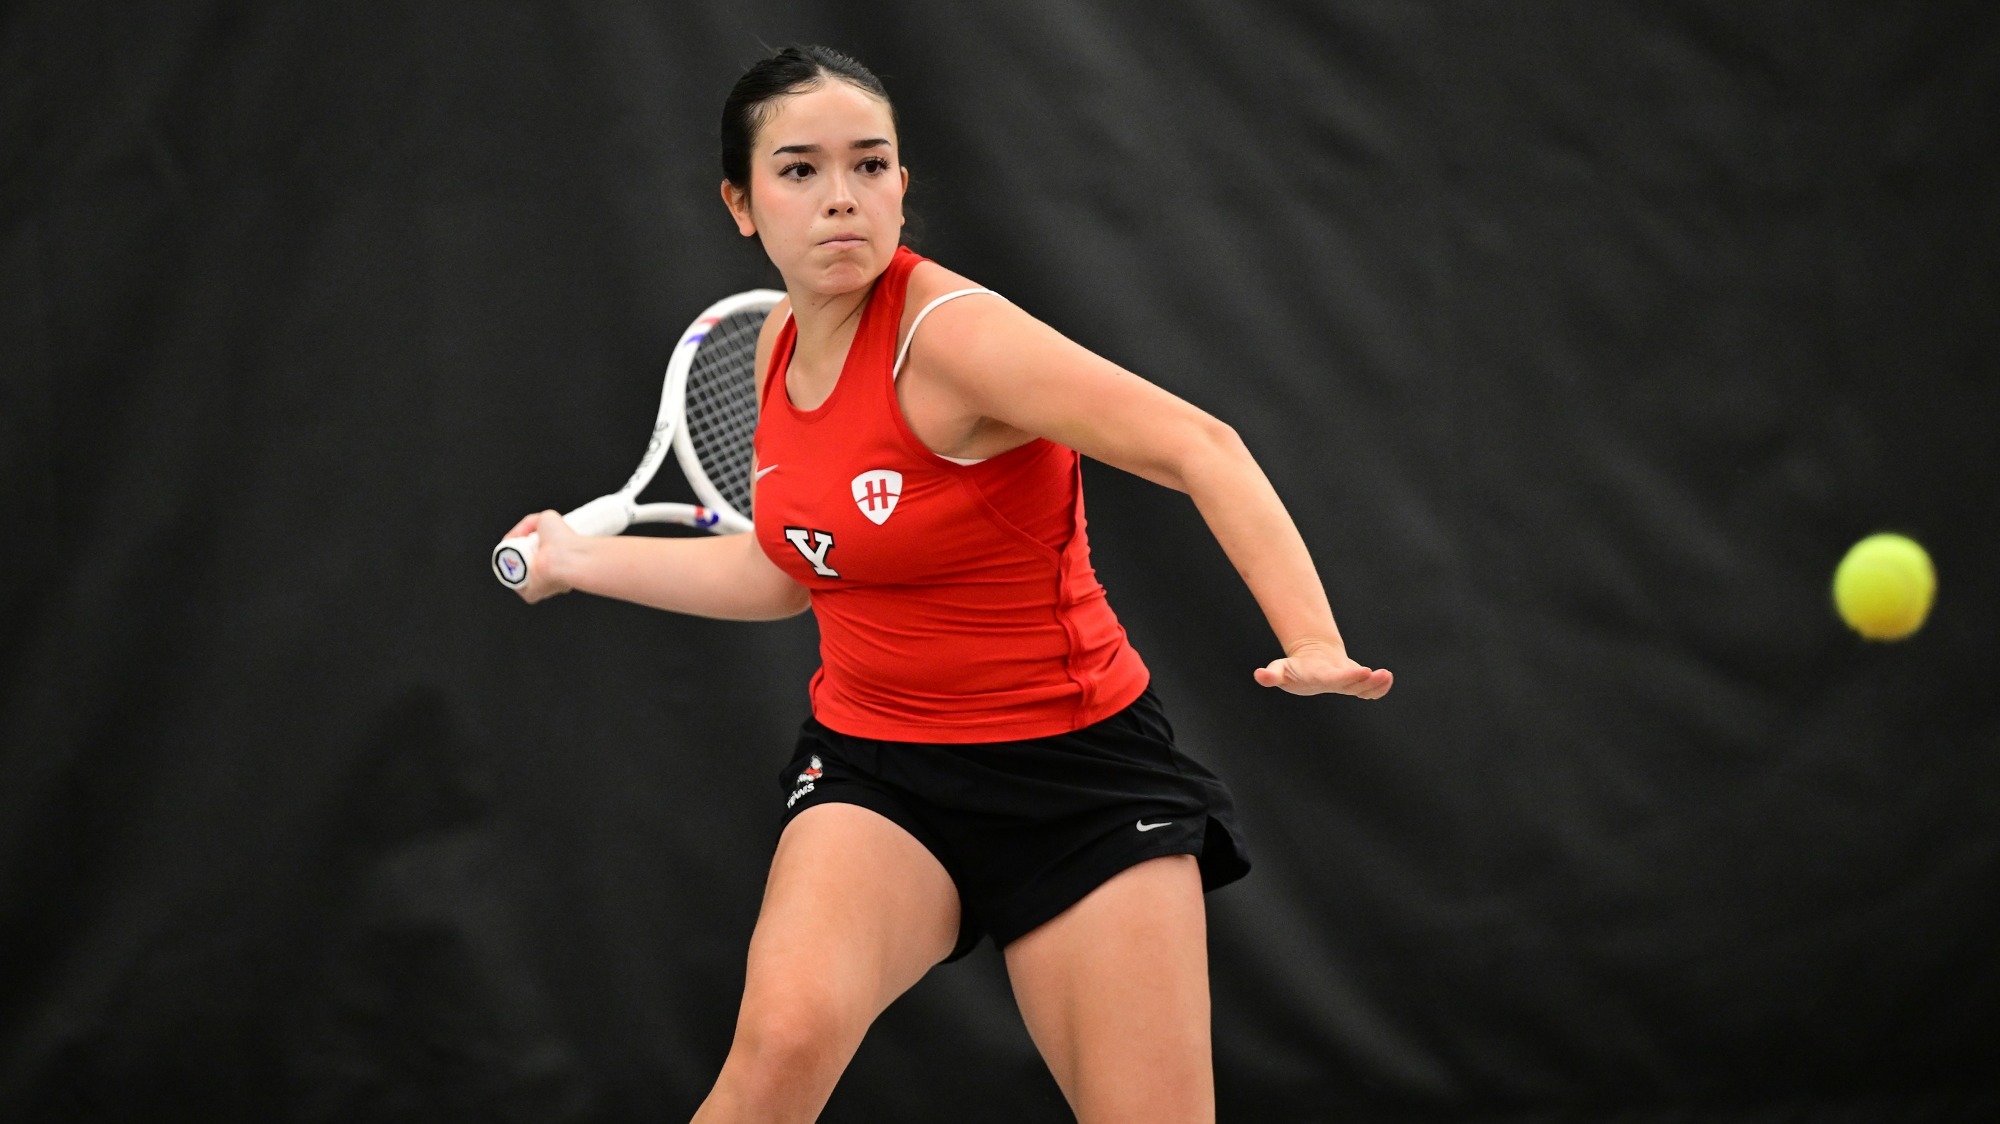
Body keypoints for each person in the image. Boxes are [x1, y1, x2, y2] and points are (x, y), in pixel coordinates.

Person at [502, 44, 1392, 1124]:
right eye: (798, 170)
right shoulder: (775, 343)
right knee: (776, 1049)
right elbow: (788, 570)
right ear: (738, 203)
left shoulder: (957, 338)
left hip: (1079, 780)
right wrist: (576, 559)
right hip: (877, 768)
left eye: (869, 165)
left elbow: (1196, 444)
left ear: (901, 185)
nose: (841, 198)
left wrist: (1311, 636)